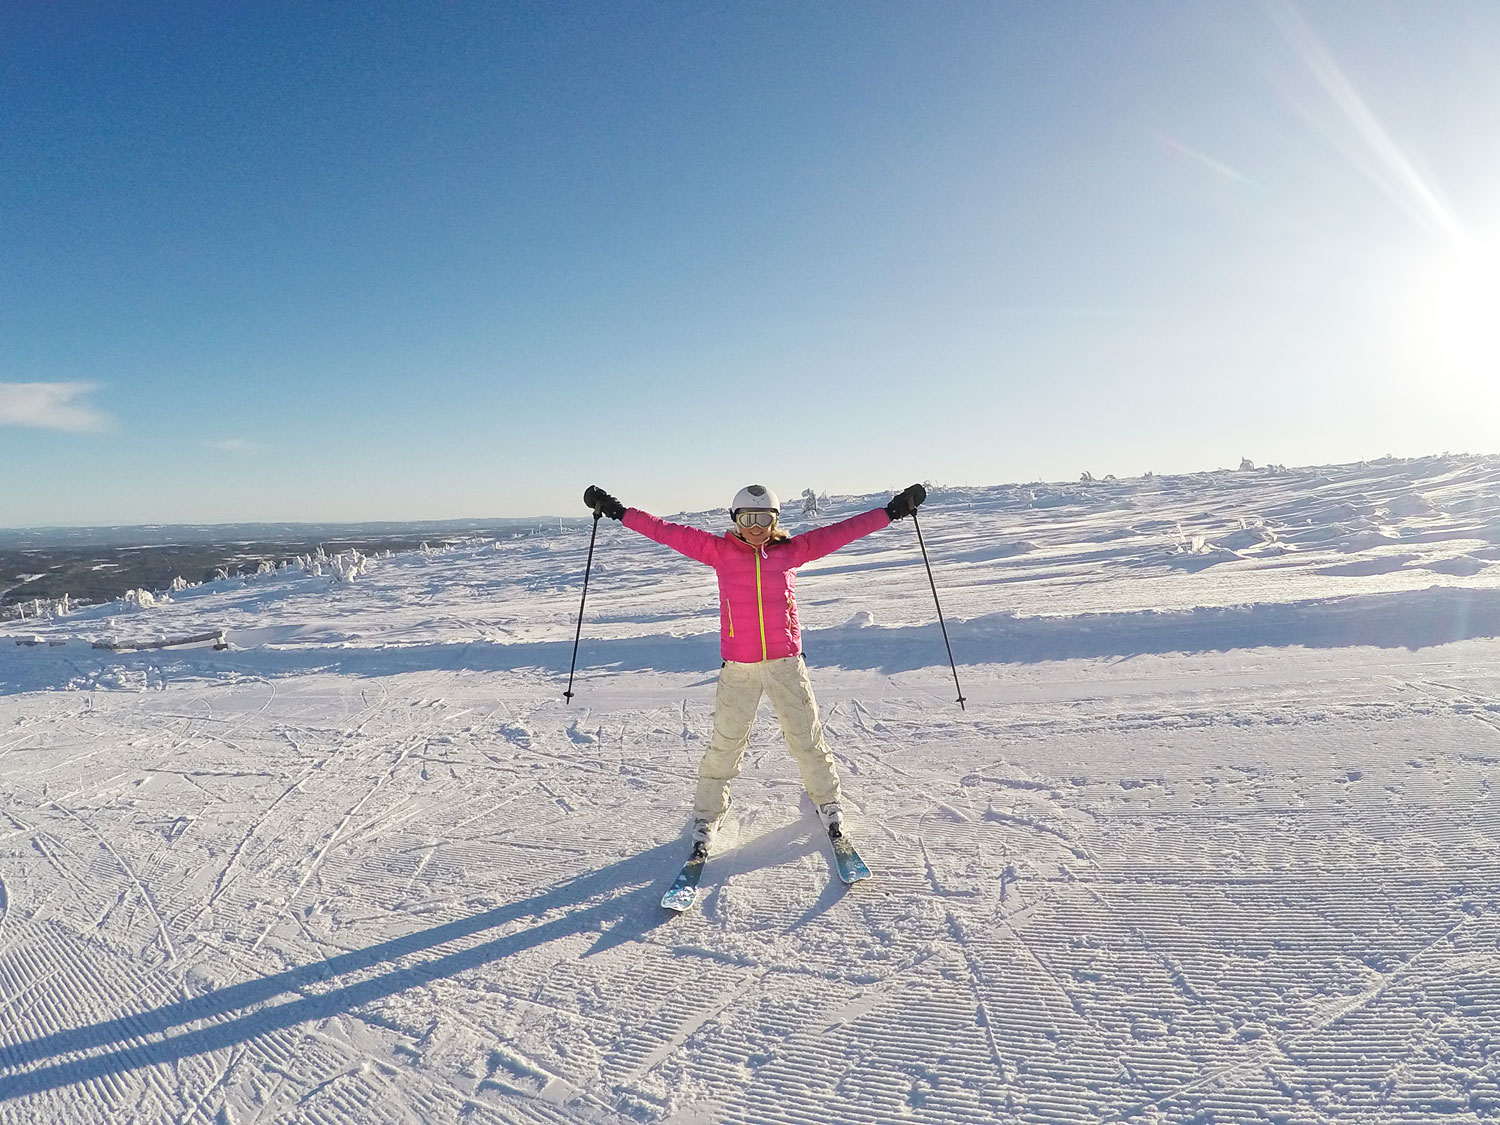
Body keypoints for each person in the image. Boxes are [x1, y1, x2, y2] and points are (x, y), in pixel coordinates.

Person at [582, 481, 926, 851]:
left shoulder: (791, 552)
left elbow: (840, 532)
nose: (756, 527)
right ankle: (708, 814)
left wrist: (890, 512)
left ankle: (828, 803)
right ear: (736, 519)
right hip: (739, 668)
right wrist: (619, 511)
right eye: (748, 518)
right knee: (725, 745)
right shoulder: (719, 552)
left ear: (775, 520)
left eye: (764, 518)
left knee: (806, 738)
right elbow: (666, 531)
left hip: (786, 664)